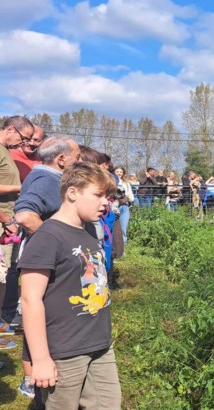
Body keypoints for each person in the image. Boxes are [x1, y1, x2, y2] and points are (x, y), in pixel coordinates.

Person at [19, 161, 121, 409]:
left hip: (99, 345)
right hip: (63, 351)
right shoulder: (47, 237)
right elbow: (30, 300)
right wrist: (41, 359)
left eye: (107, 196)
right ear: (72, 192)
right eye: (98, 195)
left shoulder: (87, 231)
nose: (105, 203)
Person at [4, 136, 81, 398]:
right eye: (77, 157)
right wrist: (57, 241)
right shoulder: (46, 180)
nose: (79, 161)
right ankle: (31, 379)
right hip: (44, 263)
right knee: (40, 315)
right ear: (61, 160)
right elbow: (25, 214)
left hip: (47, 260)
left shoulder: (47, 178)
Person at [0, 116, 33, 351]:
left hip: (7, 222)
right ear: (10, 129)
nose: (23, 144)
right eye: (23, 138)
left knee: (5, 275)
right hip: (4, 221)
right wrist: (6, 218)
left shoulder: (5, 151)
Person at [113, 167, 133, 244]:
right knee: (115, 226)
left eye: (121, 172)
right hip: (115, 206)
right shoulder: (111, 181)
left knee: (124, 226)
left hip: (125, 206)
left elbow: (130, 194)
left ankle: (123, 244)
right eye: (117, 171)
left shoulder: (126, 183)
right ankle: (115, 245)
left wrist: (129, 198)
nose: (119, 173)